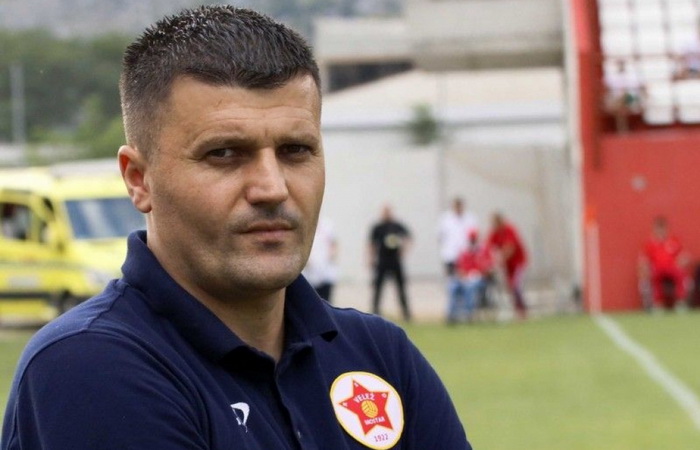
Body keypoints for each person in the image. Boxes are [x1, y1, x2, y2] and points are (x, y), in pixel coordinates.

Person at [1, 6, 471, 450]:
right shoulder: (90, 364)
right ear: (139, 180)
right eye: (224, 153)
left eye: (295, 150)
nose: (272, 188)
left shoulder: (379, 355)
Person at [368, 204, 412, 321]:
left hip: (395, 261)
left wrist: (404, 250)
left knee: (400, 287)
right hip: (382, 260)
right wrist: (371, 258)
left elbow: (408, 237)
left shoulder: (396, 226)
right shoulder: (378, 227)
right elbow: (372, 244)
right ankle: (375, 311)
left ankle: (406, 313)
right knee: (378, 287)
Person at [638, 216, 690, 311]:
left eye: (662, 229)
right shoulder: (649, 244)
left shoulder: (673, 241)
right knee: (654, 277)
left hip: (672, 268)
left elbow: (684, 255)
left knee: (681, 275)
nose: (660, 231)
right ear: (654, 230)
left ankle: (680, 302)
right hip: (657, 269)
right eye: (658, 229)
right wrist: (645, 269)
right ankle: (658, 304)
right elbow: (643, 260)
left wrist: (681, 261)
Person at [486, 212, 528, 319]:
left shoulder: (510, 230)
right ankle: (517, 310)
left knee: (516, 285)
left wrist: (499, 260)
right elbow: (487, 247)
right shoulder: (494, 233)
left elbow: (510, 248)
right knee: (510, 287)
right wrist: (489, 262)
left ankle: (522, 310)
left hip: (518, 262)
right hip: (507, 266)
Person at [447, 230, 492, 324]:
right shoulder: (464, 252)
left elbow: (488, 268)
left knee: (470, 287)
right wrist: (463, 275)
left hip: (479, 280)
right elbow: (460, 268)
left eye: (474, 239)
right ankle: (452, 315)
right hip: (464, 278)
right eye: (471, 239)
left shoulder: (483, 251)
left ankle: (469, 314)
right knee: (453, 286)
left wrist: (479, 273)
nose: (472, 241)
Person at [437, 197, 479, 277]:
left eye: (459, 206)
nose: (458, 208)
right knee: (451, 276)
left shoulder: (470, 218)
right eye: (456, 206)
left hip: (466, 253)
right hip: (450, 253)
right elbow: (440, 235)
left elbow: (474, 235)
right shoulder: (445, 219)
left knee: (468, 276)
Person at [302, 215, 338, 302]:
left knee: (326, 302)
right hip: (310, 274)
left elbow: (334, 243)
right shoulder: (305, 226)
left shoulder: (327, 225)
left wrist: (332, 255)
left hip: (326, 272)